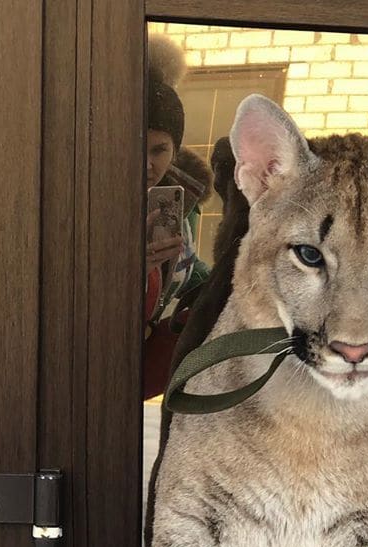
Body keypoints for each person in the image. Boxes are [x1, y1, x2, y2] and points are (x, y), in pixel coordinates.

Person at [143, 34, 212, 398]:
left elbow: (192, 272)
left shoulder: (181, 205)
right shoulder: (95, 202)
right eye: (136, 146)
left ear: (175, 150)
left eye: (160, 150)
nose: (148, 163)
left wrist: (217, 287)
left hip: (147, 351)